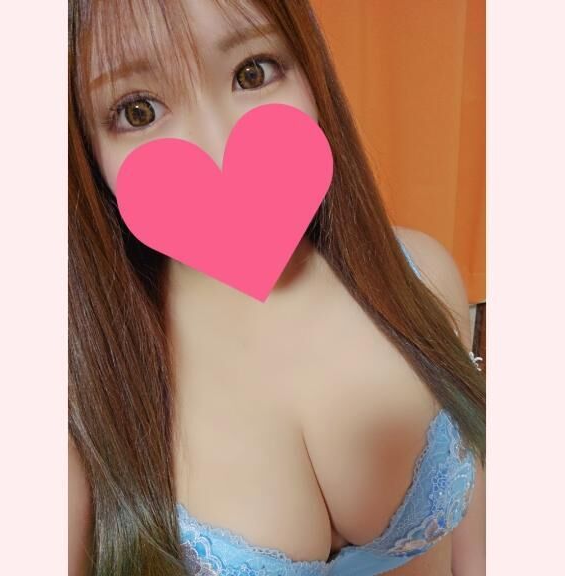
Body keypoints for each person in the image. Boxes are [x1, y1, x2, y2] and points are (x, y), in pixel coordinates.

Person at [68, 1, 486, 575]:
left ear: (310, 70)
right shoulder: (81, 402)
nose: (217, 147)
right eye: (138, 111)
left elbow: (478, 542)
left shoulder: (424, 274)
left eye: (252, 72)